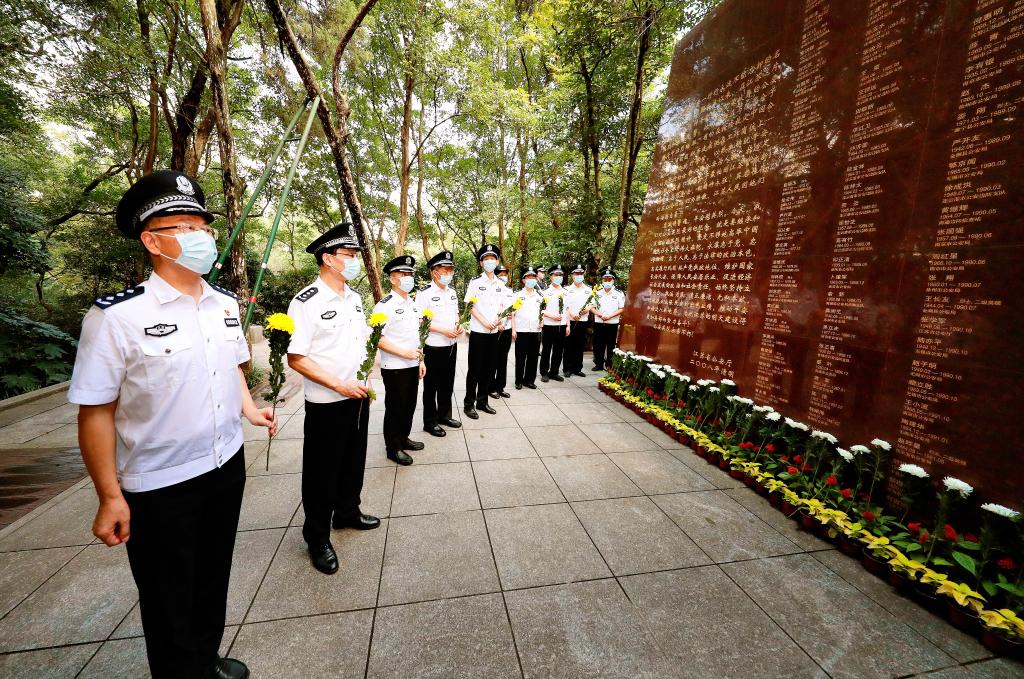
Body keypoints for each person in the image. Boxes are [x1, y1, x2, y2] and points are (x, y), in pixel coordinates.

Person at [70, 170, 277, 679]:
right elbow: (95, 410)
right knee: (167, 596)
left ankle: (205, 660)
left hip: (225, 464)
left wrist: (249, 409)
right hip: (160, 484)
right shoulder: (116, 317)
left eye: (202, 227)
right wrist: (109, 495)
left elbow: (229, 368)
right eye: (183, 227)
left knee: (213, 576)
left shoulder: (224, 304)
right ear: (152, 240)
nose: (199, 236)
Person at [287, 222, 380, 577]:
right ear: (327, 258)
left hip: (357, 395)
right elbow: (297, 358)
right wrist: (339, 385)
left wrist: (363, 380)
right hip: (327, 402)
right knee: (321, 472)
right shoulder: (306, 302)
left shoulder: (353, 298)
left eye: (355, 254)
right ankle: (317, 537)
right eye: (349, 254)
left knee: (354, 460)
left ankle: (347, 512)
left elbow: (359, 344)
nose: (354, 260)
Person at [373, 255, 426, 465]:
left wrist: (421, 360)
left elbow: (418, 335)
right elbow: (377, 339)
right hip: (395, 366)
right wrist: (404, 354)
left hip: (413, 364)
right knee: (396, 407)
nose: (408, 277)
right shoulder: (384, 306)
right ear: (392, 278)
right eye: (403, 274)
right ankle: (393, 448)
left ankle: (404, 438)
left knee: (409, 405)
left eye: (410, 274)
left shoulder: (412, 304)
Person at [415, 250, 463, 438]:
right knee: (431, 386)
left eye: (450, 270)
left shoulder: (452, 292)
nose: (448, 274)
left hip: (451, 345)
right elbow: (420, 320)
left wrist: (459, 326)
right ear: (434, 272)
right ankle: (430, 422)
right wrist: (442, 330)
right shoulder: (424, 293)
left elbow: (456, 314)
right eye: (445, 270)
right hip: (433, 346)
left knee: (447, 384)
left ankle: (444, 416)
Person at [463, 243, 506, 418]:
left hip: (494, 333)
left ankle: (482, 402)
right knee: (474, 370)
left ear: (497, 261)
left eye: (492, 258)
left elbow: (503, 305)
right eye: (486, 259)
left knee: (489, 369)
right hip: (478, 332)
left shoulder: (501, 283)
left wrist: (499, 319)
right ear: (481, 263)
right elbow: (470, 306)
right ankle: (469, 404)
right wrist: (484, 322)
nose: (489, 261)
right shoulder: (475, 282)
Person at [511, 267, 543, 389]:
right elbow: (512, 314)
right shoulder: (517, 295)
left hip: (535, 330)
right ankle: (518, 381)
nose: (531, 279)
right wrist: (513, 329)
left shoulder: (540, 296)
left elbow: (542, 312)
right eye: (528, 277)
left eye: (533, 277)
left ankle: (529, 380)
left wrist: (542, 321)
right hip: (521, 330)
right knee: (520, 357)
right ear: (523, 280)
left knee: (533, 357)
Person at [591, 266, 626, 371]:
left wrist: (610, 316)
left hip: (612, 323)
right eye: (605, 279)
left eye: (609, 279)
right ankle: (598, 364)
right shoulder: (597, 292)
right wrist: (600, 314)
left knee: (611, 344)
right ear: (602, 280)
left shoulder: (619, 293)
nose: (607, 281)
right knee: (598, 344)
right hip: (599, 322)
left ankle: (609, 364)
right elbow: (591, 307)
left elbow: (622, 308)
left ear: (613, 280)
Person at [562, 264, 593, 378]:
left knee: (580, 345)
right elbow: (564, 306)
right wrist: (572, 314)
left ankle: (577, 368)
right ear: (572, 275)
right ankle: (567, 368)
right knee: (568, 345)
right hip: (570, 321)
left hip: (583, 320)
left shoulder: (588, 289)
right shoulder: (566, 289)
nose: (579, 276)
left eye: (581, 273)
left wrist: (586, 310)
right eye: (576, 274)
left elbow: (591, 304)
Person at [489, 263, 514, 400]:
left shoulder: (510, 291)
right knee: (493, 359)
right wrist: (498, 323)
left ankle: (500, 387)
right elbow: (491, 309)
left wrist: (511, 322)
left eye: (505, 274)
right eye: (500, 274)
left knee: (503, 359)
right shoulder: (492, 290)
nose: (504, 277)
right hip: (495, 329)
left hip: (507, 329)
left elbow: (512, 310)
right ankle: (491, 387)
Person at [539, 263, 567, 383]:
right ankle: (544, 372)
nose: (558, 277)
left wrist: (568, 325)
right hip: (549, 325)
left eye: (560, 275)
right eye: (556, 275)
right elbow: (541, 309)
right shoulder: (545, 292)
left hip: (562, 325)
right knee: (546, 350)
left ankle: (554, 372)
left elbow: (567, 309)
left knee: (558, 350)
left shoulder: (566, 291)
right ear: (550, 276)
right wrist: (552, 316)